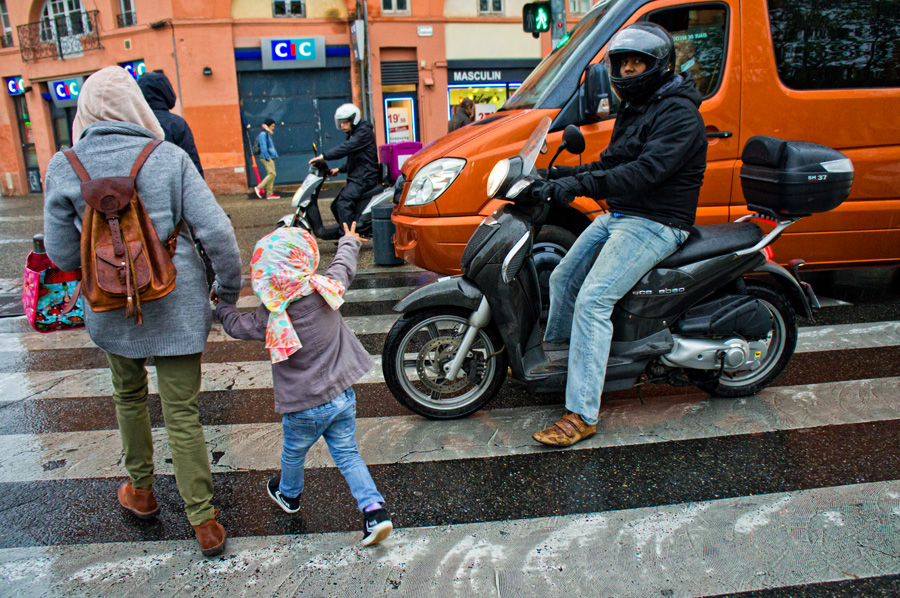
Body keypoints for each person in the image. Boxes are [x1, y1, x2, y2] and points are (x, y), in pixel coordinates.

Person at [42, 66, 243, 556]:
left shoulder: (64, 165)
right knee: (182, 411)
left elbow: (63, 256)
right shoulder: (168, 157)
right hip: (176, 302)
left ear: (85, 109)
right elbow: (217, 234)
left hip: (110, 309)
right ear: (135, 104)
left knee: (127, 396)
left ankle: (143, 493)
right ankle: (204, 521)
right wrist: (228, 292)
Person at [529, 22, 708, 448]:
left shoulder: (679, 113)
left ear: (659, 66)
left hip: (658, 221)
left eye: (636, 63)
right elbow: (610, 163)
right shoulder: (638, 108)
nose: (627, 71)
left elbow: (644, 173)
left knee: (593, 299)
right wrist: (554, 175)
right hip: (623, 214)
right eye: (622, 63)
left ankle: (582, 412)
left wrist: (576, 187)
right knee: (561, 278)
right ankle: (564, 370)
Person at [214, 223, 394, 547]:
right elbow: (344, 265)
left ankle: (289, 494)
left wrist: (222, 306)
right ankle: (373, 511)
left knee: (294, 454)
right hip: (341, 395)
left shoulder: (270, 314)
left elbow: (236, 326)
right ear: (305, 259)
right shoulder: (326, 288)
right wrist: (349, 240)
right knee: (348, 455)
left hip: (303, 407)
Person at [309, 104, 379, 231]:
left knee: (343, 203)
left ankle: (348, 236)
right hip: (359, 176)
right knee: (335, 206)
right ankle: (345, 229)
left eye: (345, 122)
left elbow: (346, 148)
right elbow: (357, 159)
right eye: (340, 123)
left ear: (354, 119)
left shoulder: (363, 132)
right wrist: (340, 169)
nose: (342, 125)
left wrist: (324, 156)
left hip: (365, 177)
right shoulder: (355, 133)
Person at [137, 71, 204, 177]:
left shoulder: (134, 124)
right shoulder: (176, 124)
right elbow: (192, 165)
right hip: (174, 187)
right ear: (166, 92)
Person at [255, 118, 280, 199]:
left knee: (272, 174)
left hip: (269, 156)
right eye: (272, 126)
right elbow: (263, 147)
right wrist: (267, 157)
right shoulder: (263, 134)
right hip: (266, 157)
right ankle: (259, 187)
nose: (273, 128)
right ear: (268, 125)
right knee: (272, 174)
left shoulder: (266, 133)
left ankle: (269, 193)